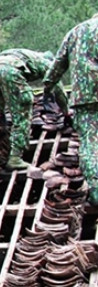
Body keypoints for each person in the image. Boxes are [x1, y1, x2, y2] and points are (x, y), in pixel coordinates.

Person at [0, 49, 68, 170]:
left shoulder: (16, 53)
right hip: (11, 71)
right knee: (21, 114)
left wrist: (1, 110)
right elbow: (58, 89)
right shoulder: (46, 63)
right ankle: (15, 158)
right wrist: (66, 111)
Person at [43, 13, 98, 205]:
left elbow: (58, 64)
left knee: (90, 145)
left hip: (85, 97)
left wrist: (48, 86)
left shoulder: (76, 32)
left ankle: (96, 190)